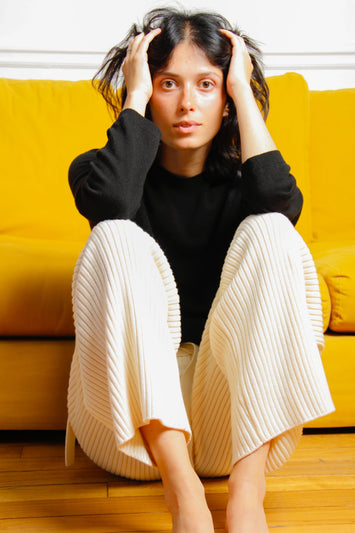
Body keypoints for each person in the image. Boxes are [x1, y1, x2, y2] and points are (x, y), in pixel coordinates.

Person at [65, 7, 334, 532]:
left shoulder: (247, 181)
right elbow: (114, 201)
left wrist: (244, 93)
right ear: (145, 86)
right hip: (130, 435)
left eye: (207, 84)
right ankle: (183, 494)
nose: (188, 103)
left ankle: (246, 495)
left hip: (235, 430)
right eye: (168, 83)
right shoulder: (97, 171)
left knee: (273, 228)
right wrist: (135, 99)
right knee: (115, 234)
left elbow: (280, 203)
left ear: (228, 99)